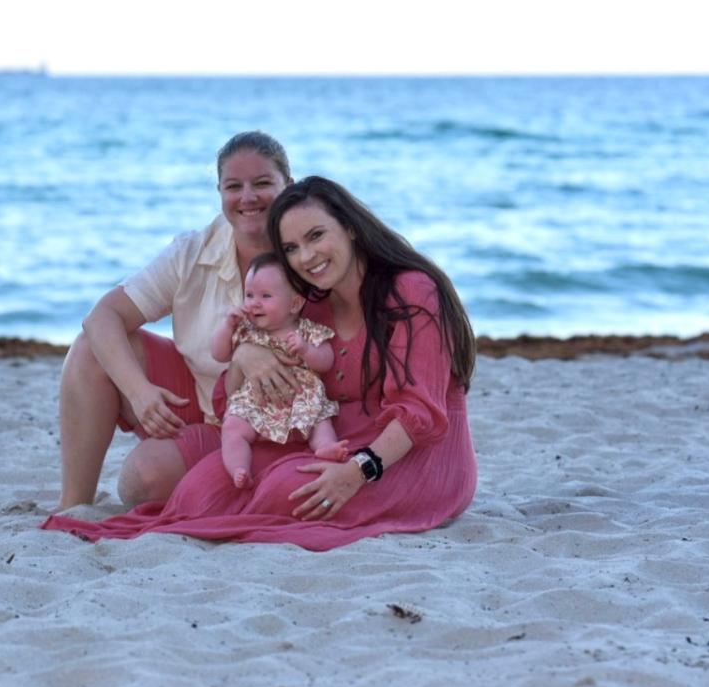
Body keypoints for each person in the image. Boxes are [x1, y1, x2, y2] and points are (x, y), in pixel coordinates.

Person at [44, 176, 478, 550]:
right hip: (327, 437)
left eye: (316, 236)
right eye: (291, 247)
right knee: (201, 491)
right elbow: (243, 392)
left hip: (408, 455)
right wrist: (246, 355)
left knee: (286, 491)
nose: (306, 257)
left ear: (349, 227)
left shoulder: (410, 292)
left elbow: (419, 412)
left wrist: (358, 471)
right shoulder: (312, 304)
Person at [55, 131, 305, 510]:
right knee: (91, 347)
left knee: (144, 480)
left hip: (279, 425)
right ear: (220, 193)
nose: (248, 197)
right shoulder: (193, 250)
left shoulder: (312, 250)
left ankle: (221, 475)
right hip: (201, 403)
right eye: (233, 186)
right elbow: (102, 317)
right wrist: (140, 392)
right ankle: (73, 504)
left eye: (263, 183)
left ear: (290, 185)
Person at [212, 251, 346, 489]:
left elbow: (326, 360)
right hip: (257, 404)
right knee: (233, 427)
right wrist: (226, 325)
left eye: (265, 296)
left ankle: (325, 447)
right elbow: (219, 354)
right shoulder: (245, 330)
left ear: (295, 303)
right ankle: (239, 468)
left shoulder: (307, 331)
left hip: (303, 401)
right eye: (249, 295)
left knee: (322, 423)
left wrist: (306, 350)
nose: (254, 303)